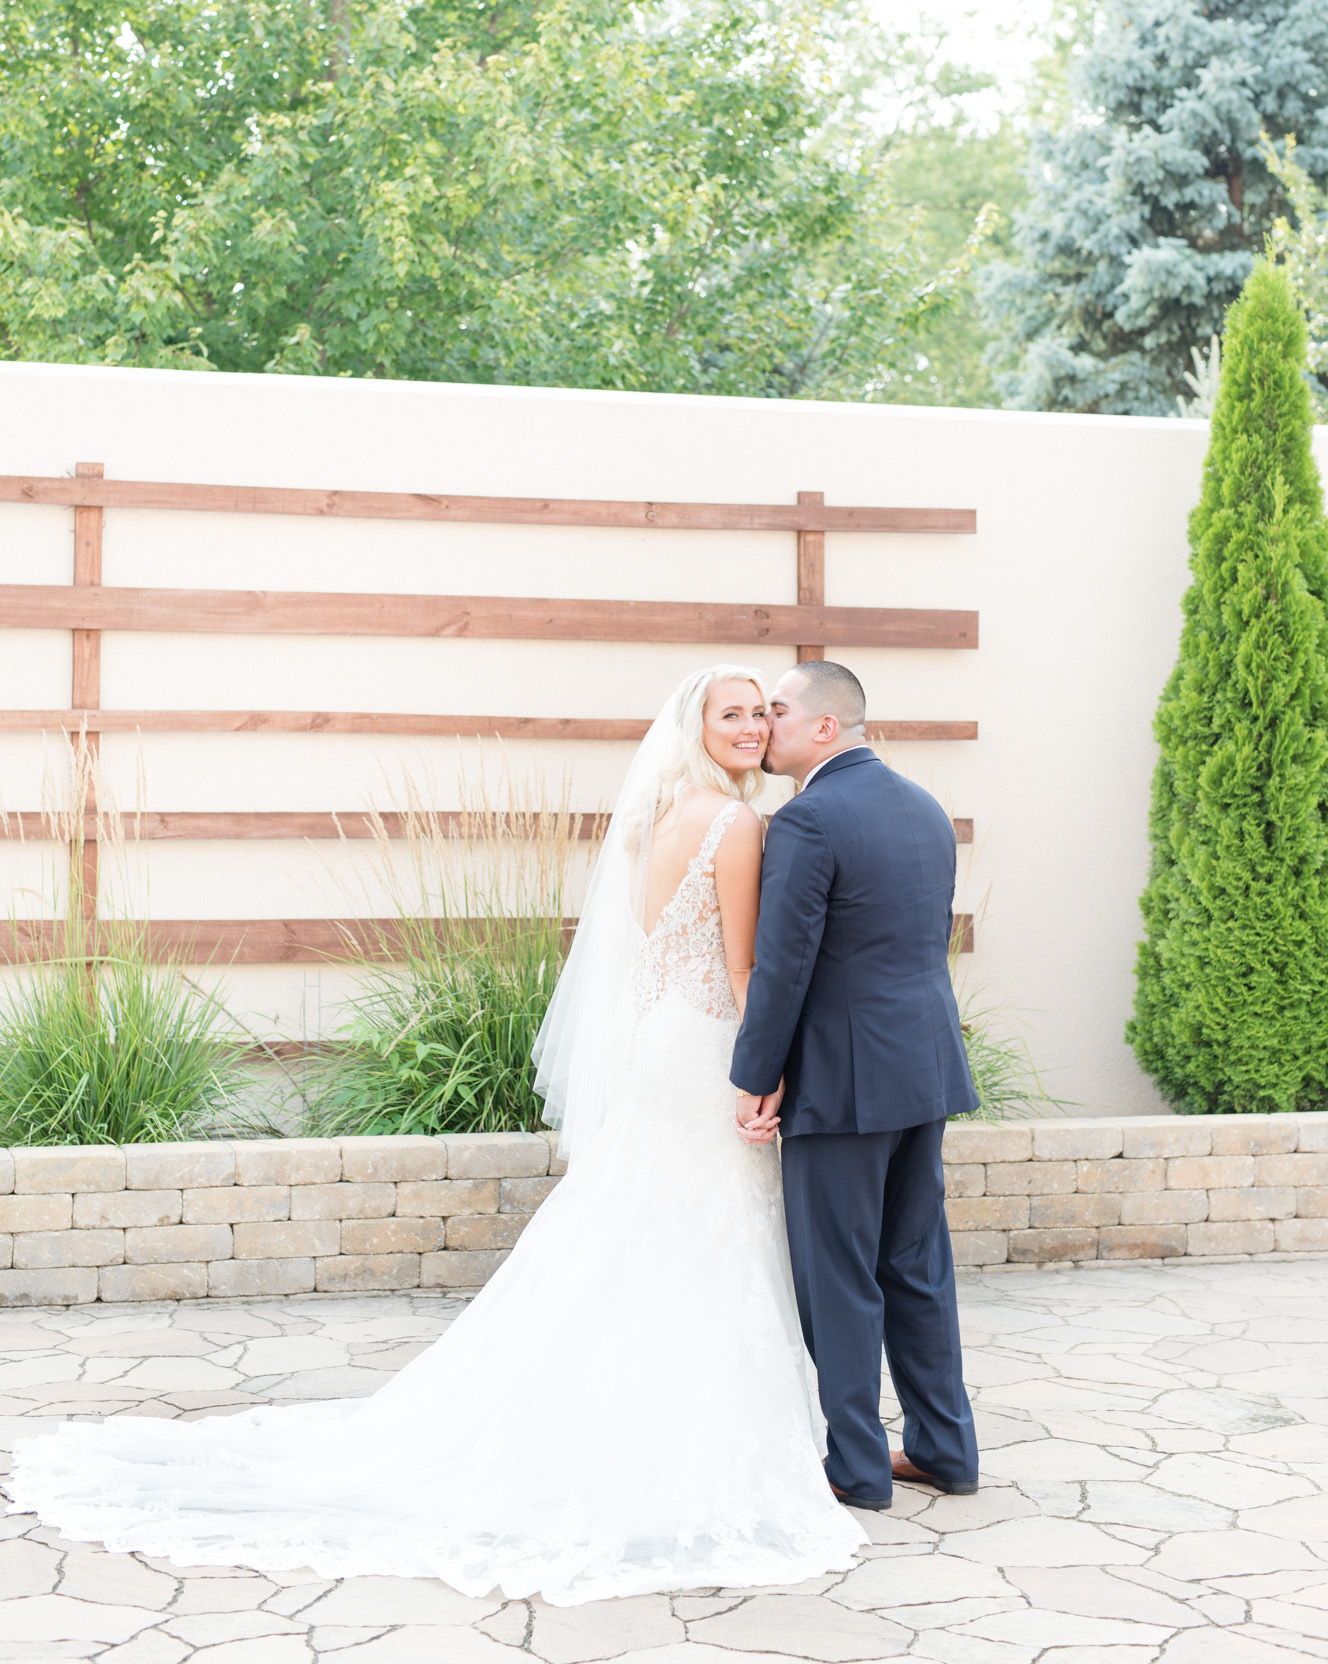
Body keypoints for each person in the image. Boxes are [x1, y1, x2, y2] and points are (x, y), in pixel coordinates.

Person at [11, 666, 864, 1606]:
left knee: (646, 1227)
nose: (749, 727)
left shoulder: (657, 819)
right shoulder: (736, 823)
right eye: (731, 713)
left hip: (657, 1042)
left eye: (758, 713)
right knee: (704, 1236)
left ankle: (622, 1413)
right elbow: (743, 967)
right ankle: (686, 1435)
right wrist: (764, 1072)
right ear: (694, 727)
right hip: (703, 1050)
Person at [731, 659, 980, 1512]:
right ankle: (945, 1449)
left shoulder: (808, 820)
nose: (765, 727)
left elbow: (783, 968)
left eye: (777, 712)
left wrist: (755, 1075)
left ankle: (857, 1469)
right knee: (915, 1265)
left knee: (836, 1276)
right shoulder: (924, 808)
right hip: (923, 1067)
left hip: (842, 1081)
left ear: (825, 727)